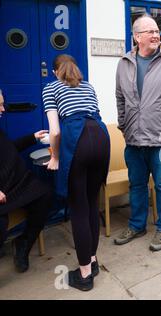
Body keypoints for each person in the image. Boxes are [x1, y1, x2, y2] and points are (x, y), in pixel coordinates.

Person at [114, 14, 161, 250]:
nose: (156, 35)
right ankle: (137, 225)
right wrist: (123, 125)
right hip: (134, 139)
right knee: (136, 185)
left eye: (157, 31)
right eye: (150, 32)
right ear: (137, 37)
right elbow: (120, 97)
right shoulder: (124, 63)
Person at [43, 54, 110, 291]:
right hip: (101, 137)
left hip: (77, 139)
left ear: (55, 72)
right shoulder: (88, 86)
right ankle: (92, 261)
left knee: (78, 208)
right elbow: (96, 116)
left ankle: (84, 276)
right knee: (92, 203)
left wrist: (54, 157)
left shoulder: (51, 88)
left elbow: (55, 131)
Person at [0, 90, 52, 272]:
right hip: (2, 191)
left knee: (45, 195)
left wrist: (32, 138)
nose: (3, 109)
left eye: (3, 104)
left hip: (19, 181)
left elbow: (10, 148)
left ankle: (23, 243)